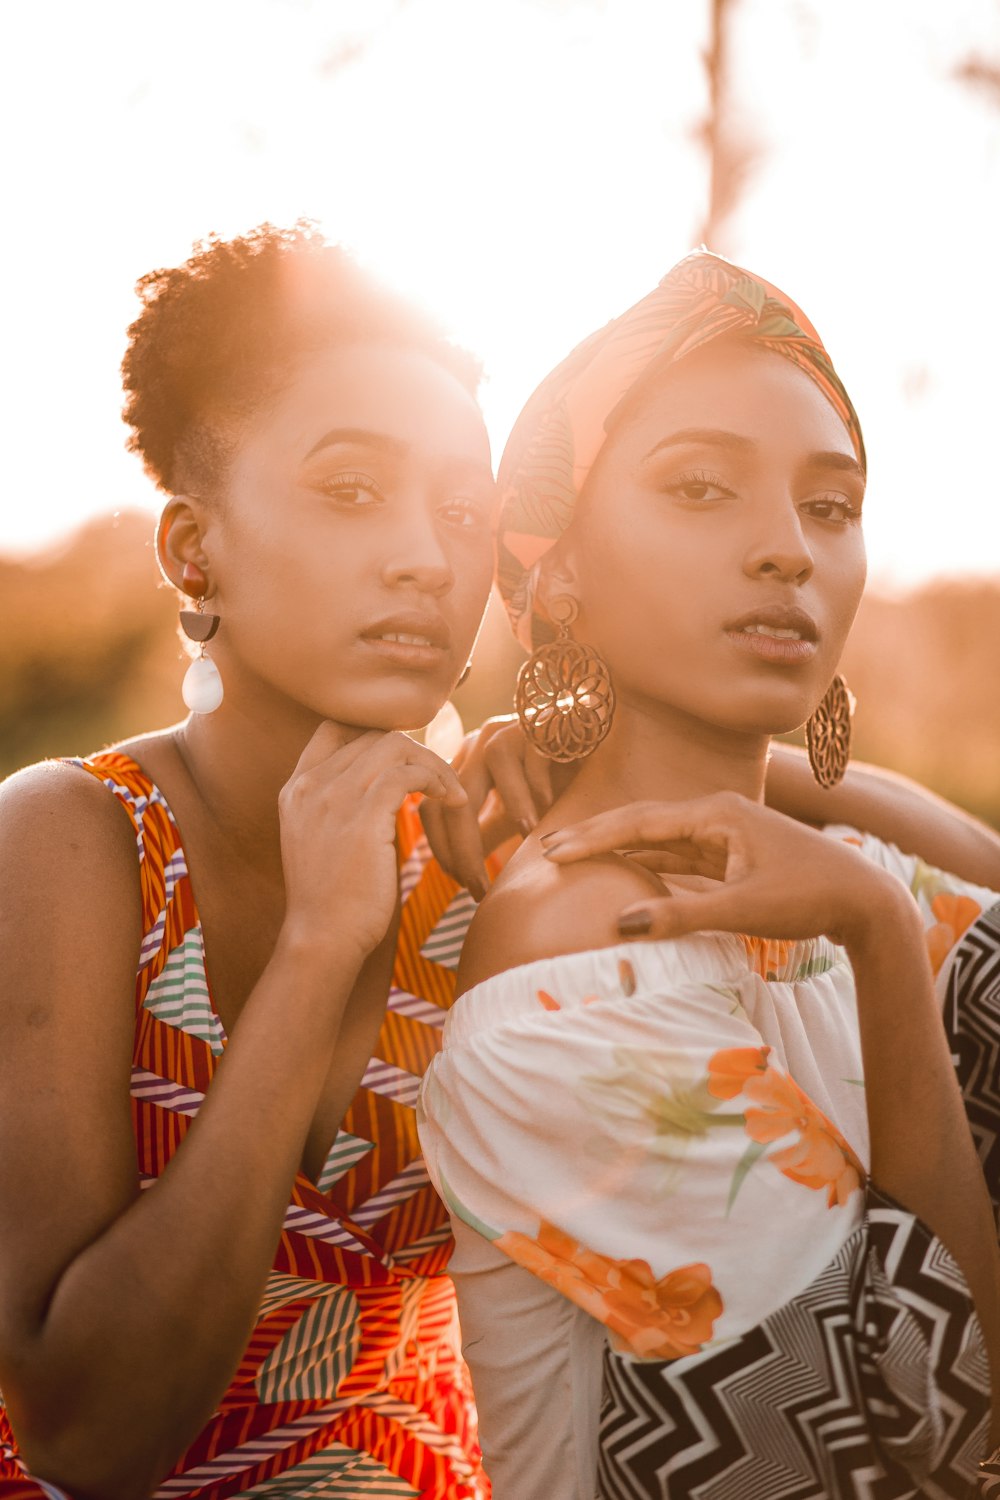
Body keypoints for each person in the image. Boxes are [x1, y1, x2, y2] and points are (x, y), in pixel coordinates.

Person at [417, 251, 1000, 1499]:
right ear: (555, 567)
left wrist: (796, 800)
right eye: (700, 489)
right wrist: (879, 944)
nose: (786, 551)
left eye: (828, 508)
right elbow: (932, 1420)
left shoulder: (839, 871)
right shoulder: (574, 966)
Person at [0, 223, 501, 1500]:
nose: (426, 557)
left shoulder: (481, 859)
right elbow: (85, 1435)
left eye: (462, 509)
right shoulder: (72, 845)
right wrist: (318, 944)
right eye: (350, 490)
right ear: (191, 550)